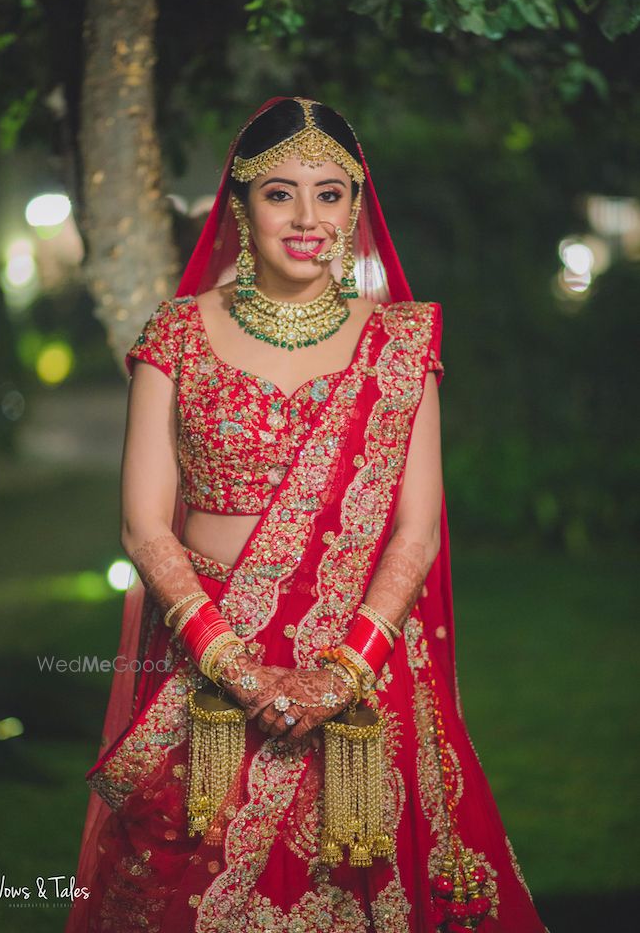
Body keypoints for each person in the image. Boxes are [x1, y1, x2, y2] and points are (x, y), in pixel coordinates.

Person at [65, 97, 549, 933]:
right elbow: (144, 527)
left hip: (358, 670)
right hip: (209, 666)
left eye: (330, 193)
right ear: (241, 204)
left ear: (356, 207)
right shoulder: (177, 335)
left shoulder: (398, 343)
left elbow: (415, 532)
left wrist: (342, 670)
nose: (307, 217)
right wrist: (239, 668)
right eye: (279, 192)